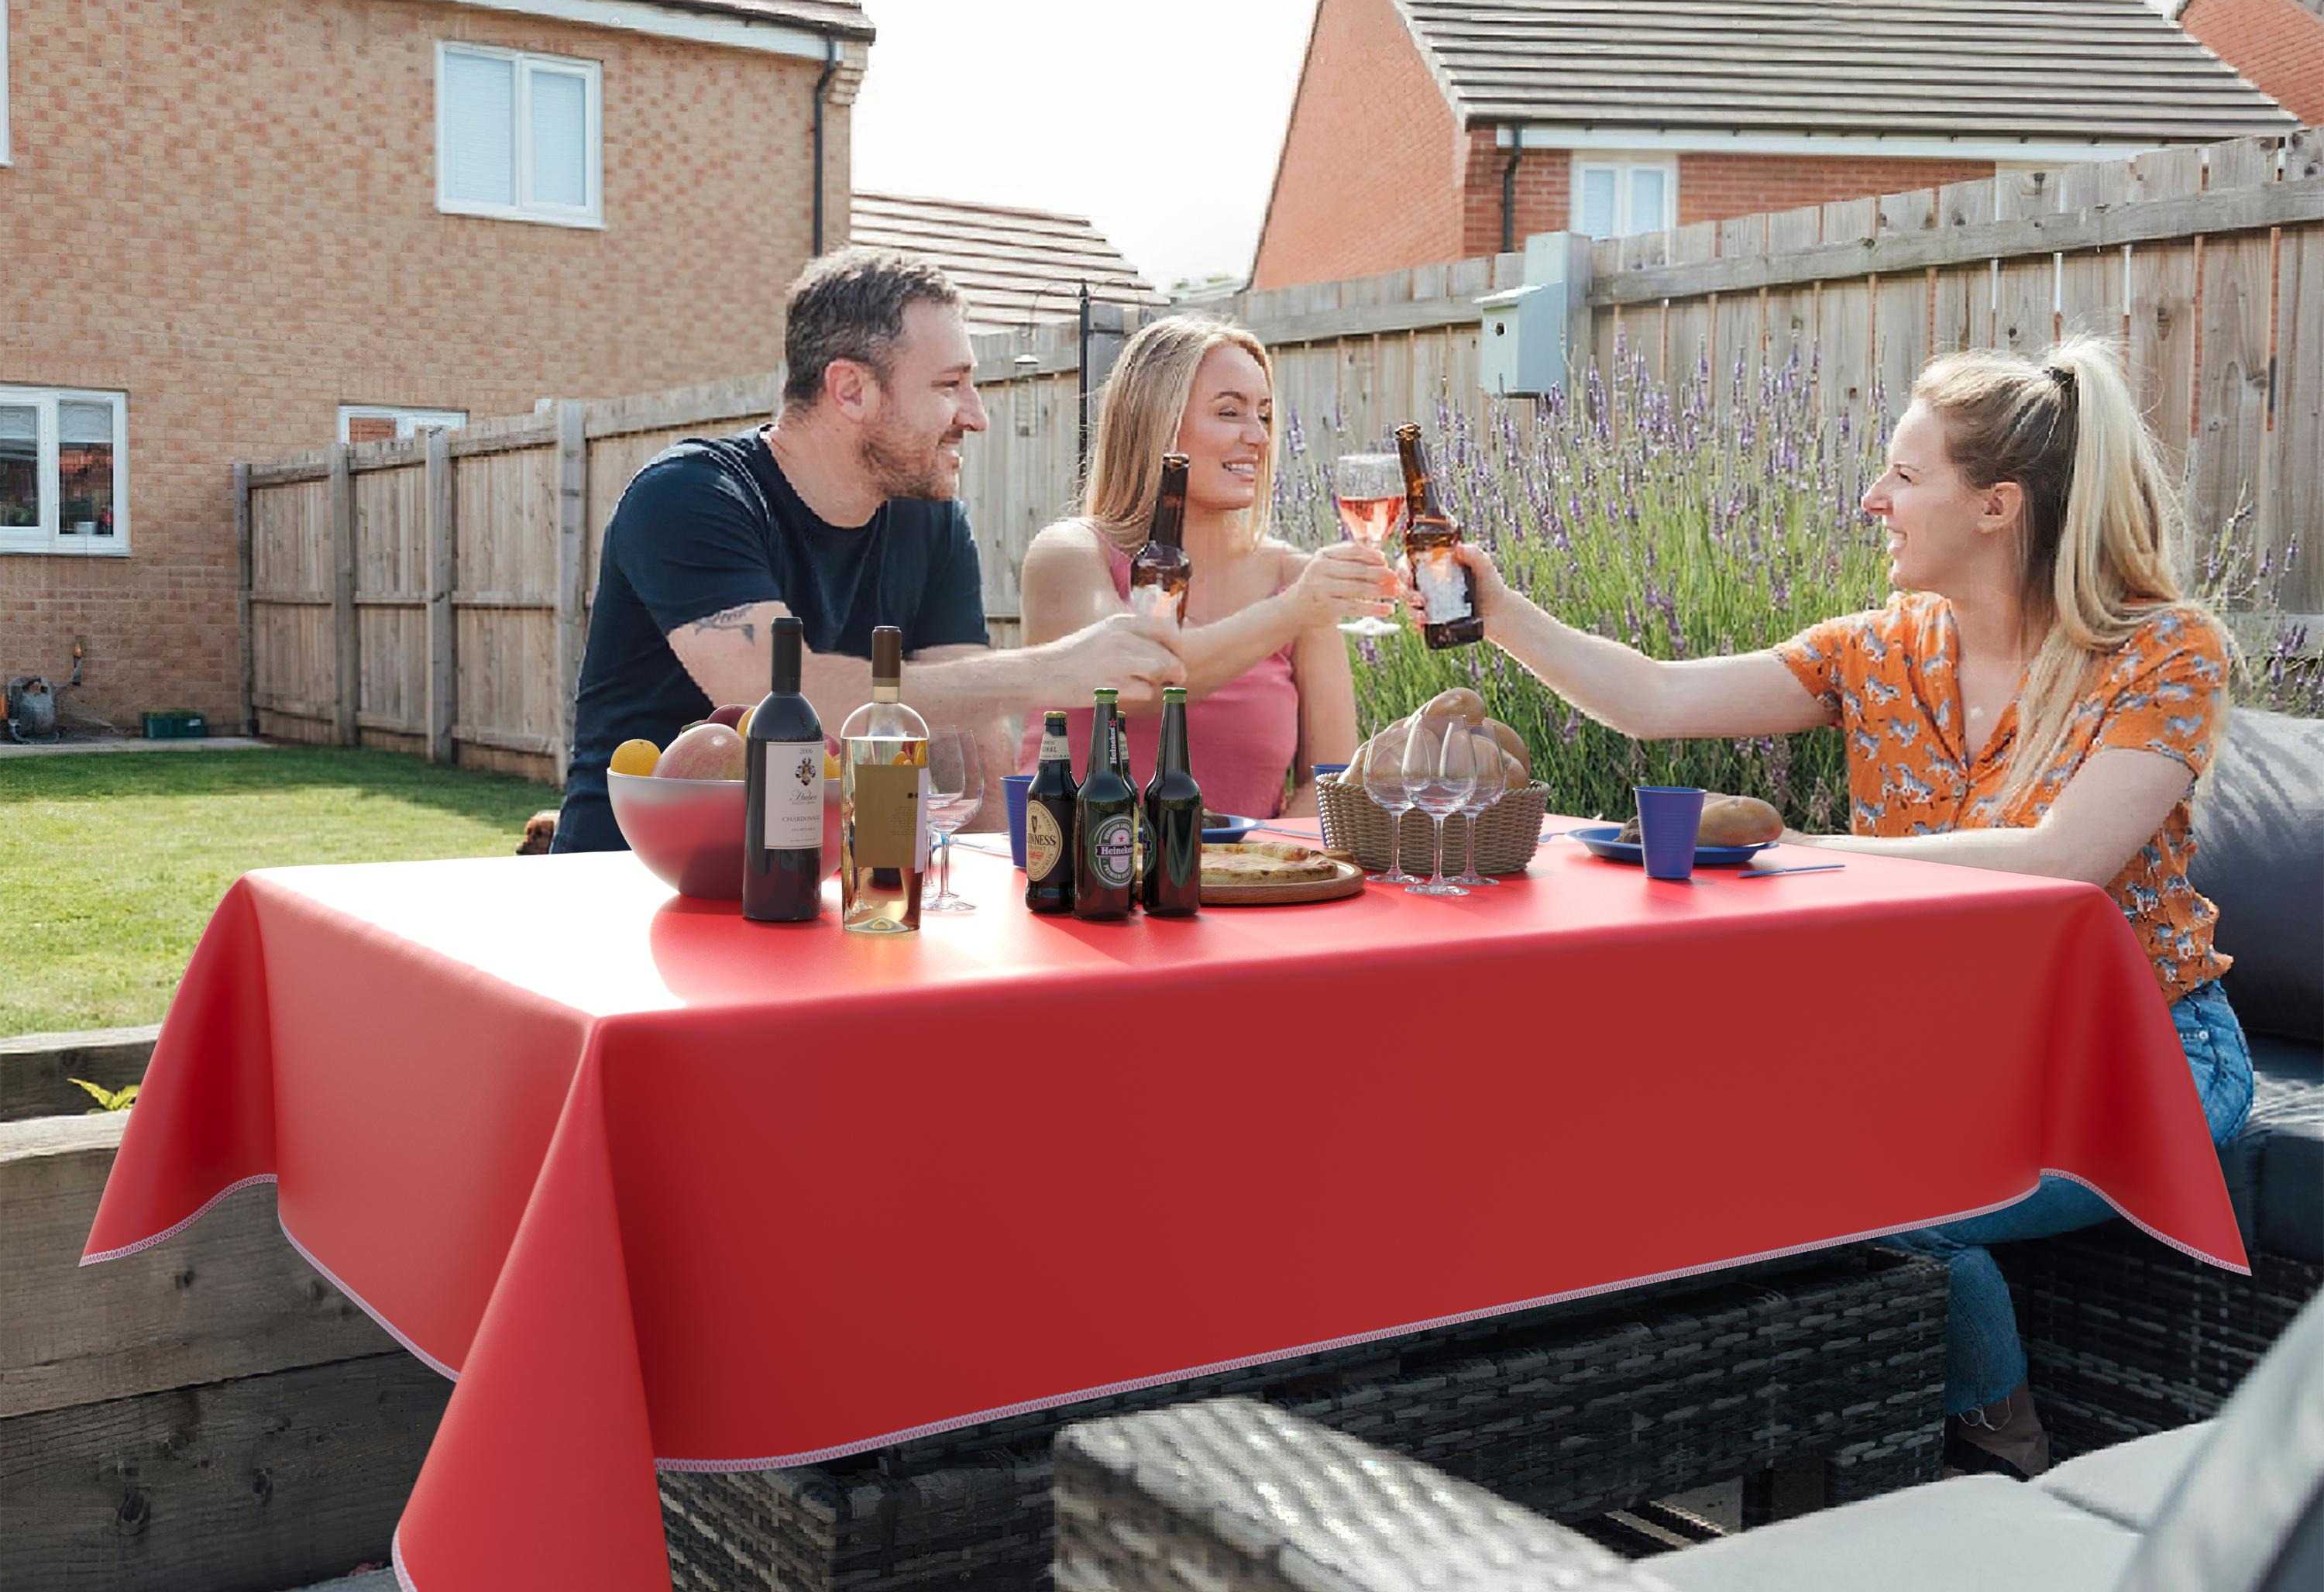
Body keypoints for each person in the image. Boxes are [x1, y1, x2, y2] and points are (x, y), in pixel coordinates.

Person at [1439, 333, 2252, 1477]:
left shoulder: (2163, 654)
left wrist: (1819, 853)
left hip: (2147, 1058)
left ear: (1997, 507)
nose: (1874, 499)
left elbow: (2068, 856)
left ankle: (2005, 1442)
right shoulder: (1883, 652)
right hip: (1959, 1061)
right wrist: (1500, 608)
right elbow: (1654, 699)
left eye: (1906, 477)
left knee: (1883, 1207)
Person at [553, 249, 1182, 851]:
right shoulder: (689, 496)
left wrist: (993, 886)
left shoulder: (930, 522)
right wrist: (1051, 669)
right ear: (850, 390)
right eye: (949, 385)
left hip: (812, 898)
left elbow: (969, 724)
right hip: (626, 896)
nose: (977, 414)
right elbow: (787, 699)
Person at [1016, 315, 1398, 818]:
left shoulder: (1292, 581)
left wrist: (1253, 867)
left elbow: (1329, 784)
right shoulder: (1069, 557)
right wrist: (1292, 611)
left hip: (1242, 886)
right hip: (1079, 883)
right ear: (1156, 423)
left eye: (1263, 414)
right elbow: (1135, 684)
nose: (1259, 437)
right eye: (1229, 412)